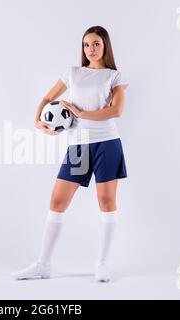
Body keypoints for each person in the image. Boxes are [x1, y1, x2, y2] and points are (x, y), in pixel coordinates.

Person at [12, 26, 129, 282]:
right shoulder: (73, 73)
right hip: (79, 146)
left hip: (107, 143)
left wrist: (80, 113)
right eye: (86, 44)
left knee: (106, 203)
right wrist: (38, 122)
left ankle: (102, 264)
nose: (91, 49)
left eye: (96, 44)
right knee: (57, 202)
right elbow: (47, 97)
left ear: (105, 46)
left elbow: (117, 111)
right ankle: (43, 264)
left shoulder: (115, 76)